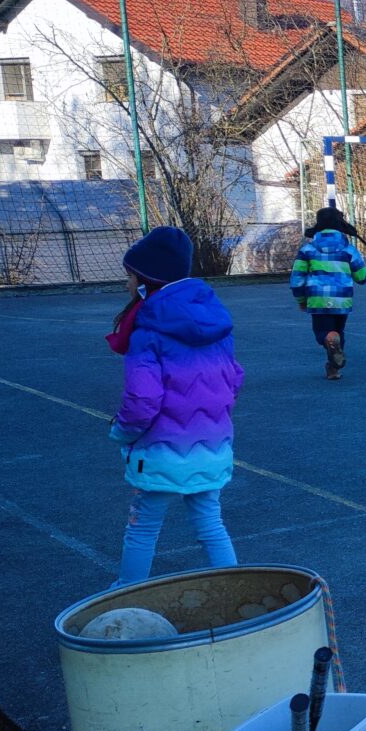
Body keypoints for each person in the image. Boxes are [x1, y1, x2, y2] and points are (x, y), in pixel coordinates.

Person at [108, 226, 244, 588]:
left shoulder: (146, 333)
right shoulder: (217, 323)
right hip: (212, 445)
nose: (126, 284)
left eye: (130, 277)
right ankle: (234, 591)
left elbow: (142, 401)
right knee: (211, 523)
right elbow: (234, 378)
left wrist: (120, 431)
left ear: (146, 281)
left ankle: (127, 592)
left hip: (160, 451)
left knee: (143, 526)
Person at [289, 206, 366, 380]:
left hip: (318, 299)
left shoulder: (307, 250)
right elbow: (362, 277)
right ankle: (333, 369)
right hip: (342, 300)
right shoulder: (349, 250)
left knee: (323, 333)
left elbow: (297, 279)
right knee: (338, 333)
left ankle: (329, 340)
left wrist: (301, 300)